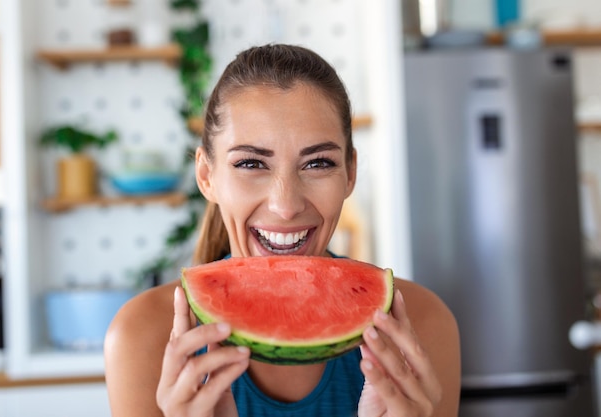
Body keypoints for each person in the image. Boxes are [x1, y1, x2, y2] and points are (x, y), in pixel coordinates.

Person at [104, 43, 461, 417]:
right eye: (251, 163)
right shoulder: (142, 337)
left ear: (350, 174)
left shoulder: (423, 325)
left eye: (318, 163)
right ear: (207, 177)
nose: (286, 205)